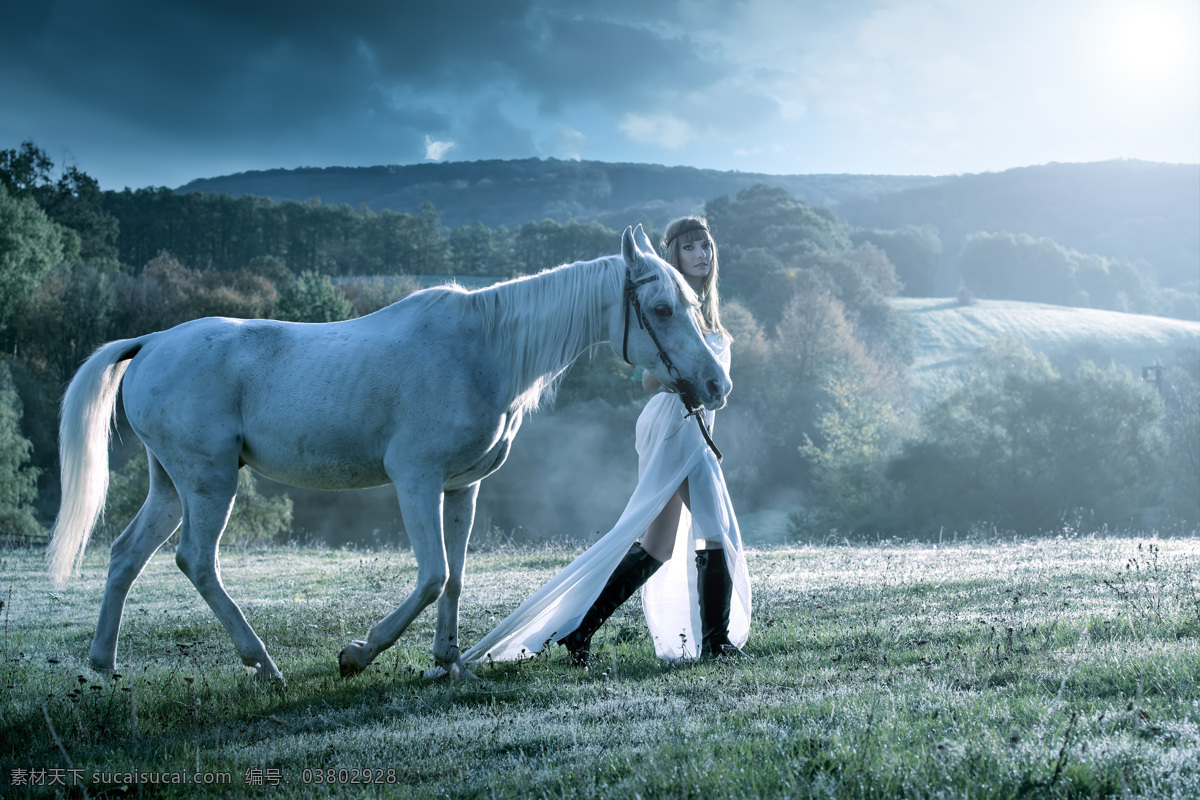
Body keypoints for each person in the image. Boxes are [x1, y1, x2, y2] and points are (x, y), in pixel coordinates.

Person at [462, 217, 750, 667]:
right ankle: (715, 645)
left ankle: (579, 629)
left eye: (707, 247)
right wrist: (686, 383)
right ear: (673, 255)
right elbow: (648, 380)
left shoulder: (702, 313)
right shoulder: (667, 306)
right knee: (716, 530)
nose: (702, 255)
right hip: (674, 424)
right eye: (691, 248)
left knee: (658, 543)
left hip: (692, 425)